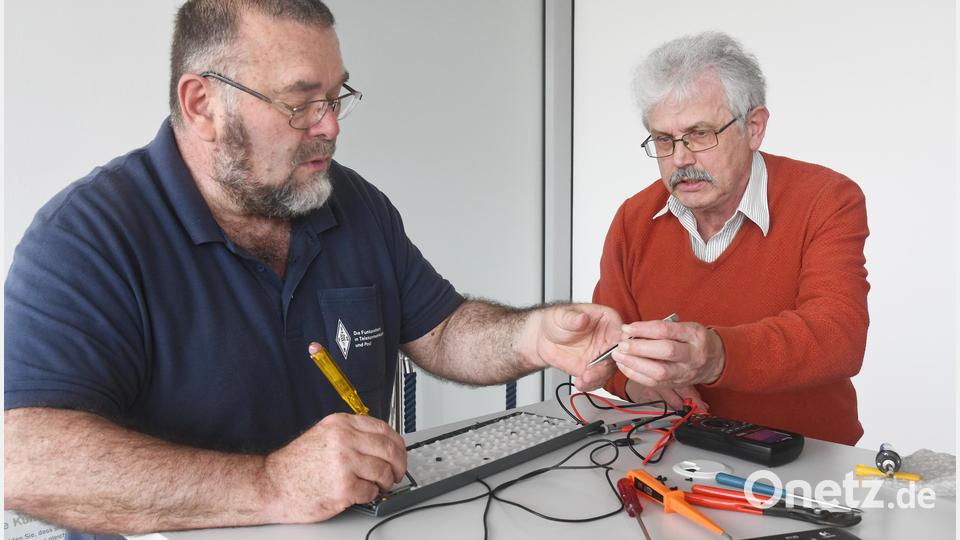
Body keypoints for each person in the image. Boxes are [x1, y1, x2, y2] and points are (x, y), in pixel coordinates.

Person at [3, 1, 620, 537]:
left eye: (336, 96)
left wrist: (533, 336)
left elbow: (442, 330)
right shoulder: (88, 236)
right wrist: (268, 485)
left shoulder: (353, 203)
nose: (329, 126)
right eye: (299, 104)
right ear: (202, 104)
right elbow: (25, 459)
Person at [594, 31, 869, 446]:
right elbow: (610, 348)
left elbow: (839, 336)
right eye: (664, 140)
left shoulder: (826, 198)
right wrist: (640, 386)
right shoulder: (634, 218)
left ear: (754, 128)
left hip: (807, 458)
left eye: (700, 134)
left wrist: (716, 355)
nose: (681, 158)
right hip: (672, 449)